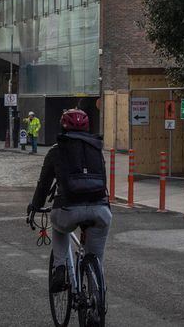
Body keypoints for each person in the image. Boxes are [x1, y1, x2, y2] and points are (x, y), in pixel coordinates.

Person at [28, 109, 111, 293]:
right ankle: (97, 297)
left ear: (62, 127)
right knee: (96, 257)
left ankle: (60, 267)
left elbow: (44, 184)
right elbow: (103, 180)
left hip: (67, 208)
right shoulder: (96, 147)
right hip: (100, 209)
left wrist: (35, 206)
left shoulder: (56, 150)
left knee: (58, 227)